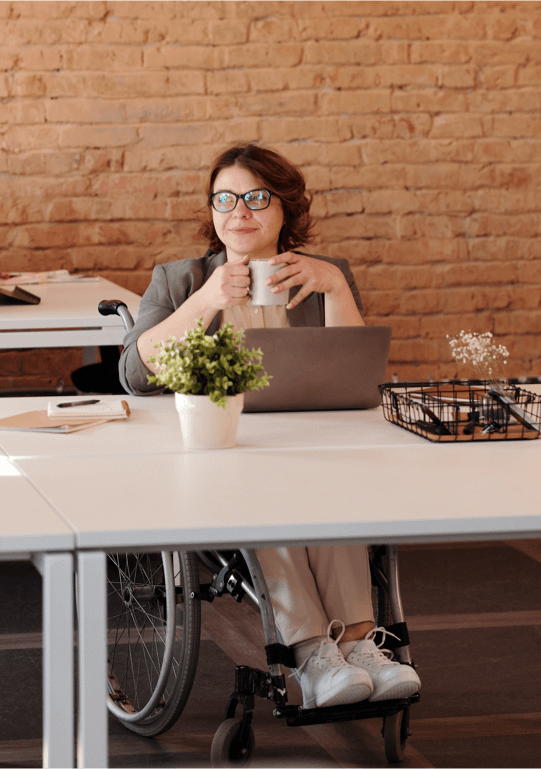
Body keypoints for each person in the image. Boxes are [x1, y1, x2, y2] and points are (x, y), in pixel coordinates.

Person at [119, 143, 420, 709]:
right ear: (211, 211)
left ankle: (359, 650)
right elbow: (137, 374)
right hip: (220, 461)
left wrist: (331, 286)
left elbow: (356, 379)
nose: (240, 211)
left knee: (333, 494)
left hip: (313, 453)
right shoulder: (179, 279)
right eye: (225, 198)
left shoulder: (323, 277)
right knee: (269, 496)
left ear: (286, 209)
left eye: (257, 197)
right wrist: (208, 299)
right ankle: (311, 656)